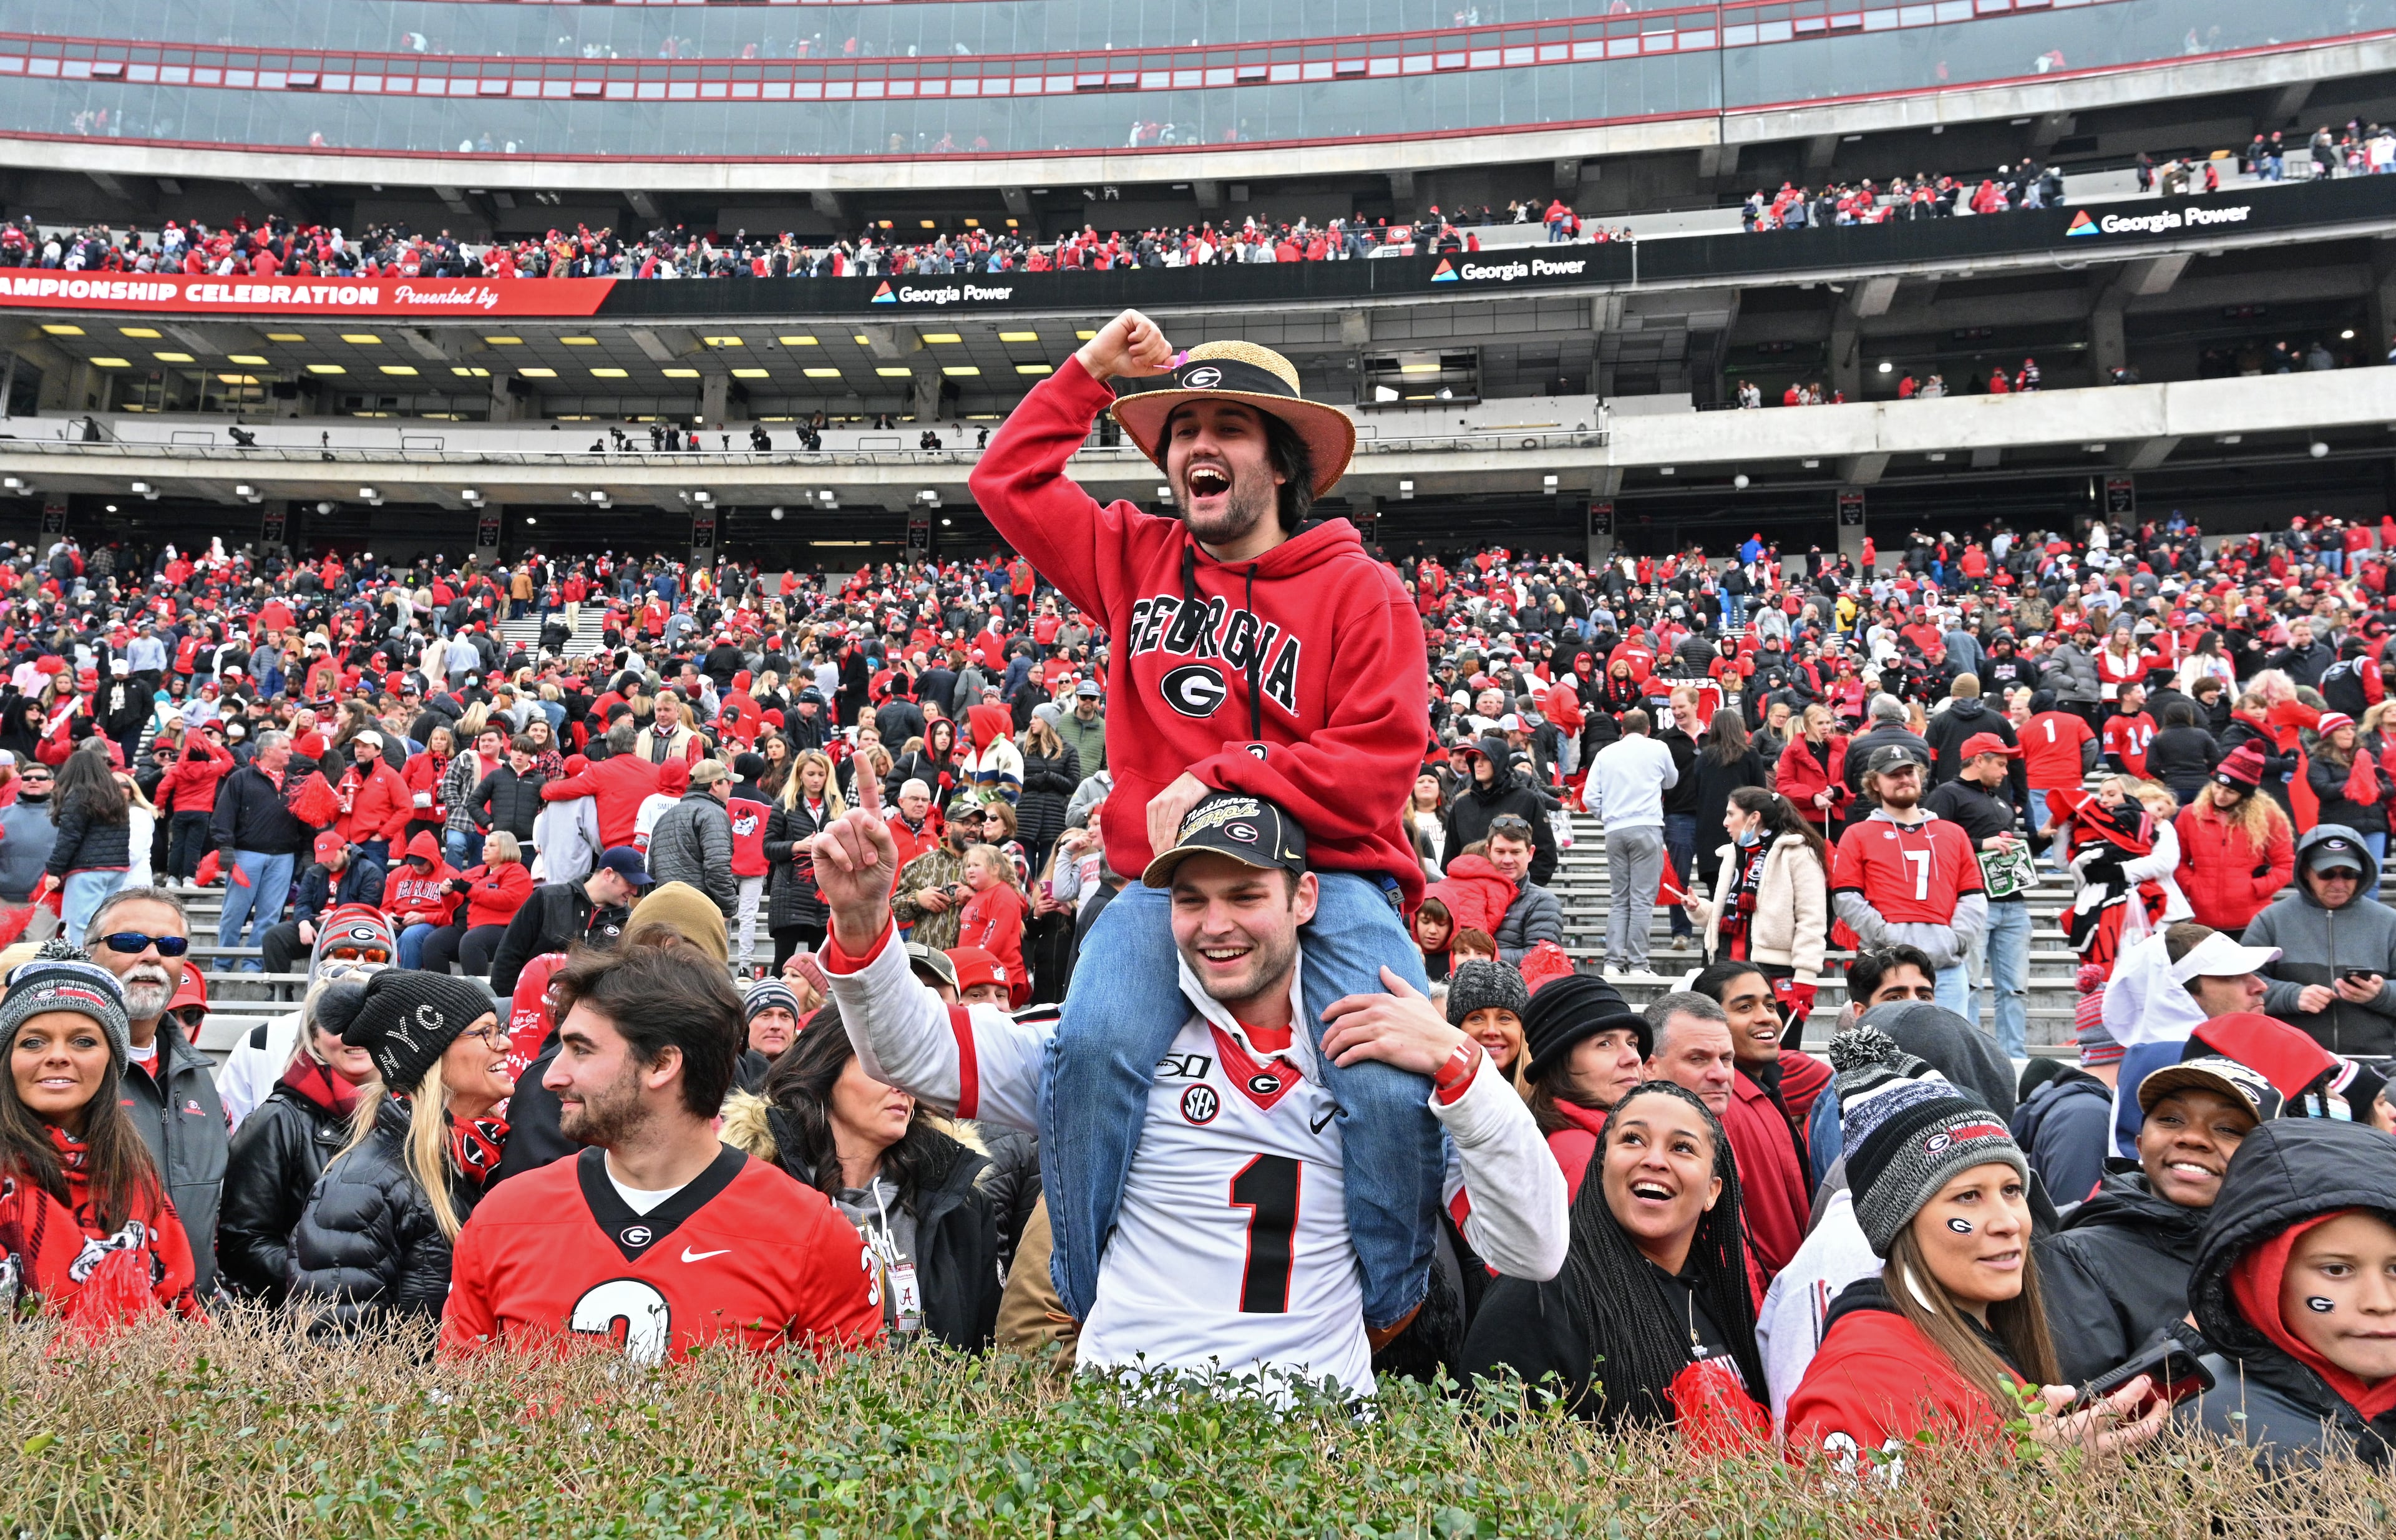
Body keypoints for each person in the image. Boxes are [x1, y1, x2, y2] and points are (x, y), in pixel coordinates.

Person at [971, 312, 1448, 1345]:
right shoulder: (1132, 555)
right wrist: (1092, 372)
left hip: (1333, 876)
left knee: (1387, 1081)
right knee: (1090, 1048)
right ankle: (1093, 1303)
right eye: (1183, 428)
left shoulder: (1360, 589)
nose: (1198, 445)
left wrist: (1230, 773)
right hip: (1173, 886)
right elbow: (1005, 484)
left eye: (1229, 426)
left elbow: (1376, 765)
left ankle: (1391, 1307)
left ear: (1278, 461)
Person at [811, 789, 1566, 1397]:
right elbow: (918, 1052)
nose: (1216, 924)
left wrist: (1460, 1064)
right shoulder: (1116, 1045)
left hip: (1315, 1438)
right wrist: (859, 921)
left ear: (1305, 897)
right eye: (1192, 899)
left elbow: (1532, 1247)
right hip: (1125, 1440)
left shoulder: (1386, 1060)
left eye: (1244, 894)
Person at [440, 937, 883, 1362]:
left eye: (580, 1050)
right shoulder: (503, 1217)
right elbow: (457, 1416)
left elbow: (842, 1428)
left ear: (661, 1064)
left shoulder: (812, 1234)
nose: (552, 1076)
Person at [1786, 1091, 2168, 1461]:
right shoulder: (1867, 1374)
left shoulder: (1986, 1332)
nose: (2008, 1222)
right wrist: (2039, 1471)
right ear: (1901, 1224)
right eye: (1968, 1196)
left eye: (2012, 1190)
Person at [1459, 1082, 1768, 1440]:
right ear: (1602, 1161)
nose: (1654, 1159)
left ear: (1713, 1191)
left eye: (1682, 1147)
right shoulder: (1537, 1297)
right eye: (1633, 1139)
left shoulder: (1721, 1295)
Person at [726, 1005, 1003, 1350]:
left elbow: (987, 1355)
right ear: (824, 1070)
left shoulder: (960, 1200)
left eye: (910, 1069)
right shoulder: (756, 1191)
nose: (903, 1085)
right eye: (884, 1066)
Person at [290, 971, 514, 1331]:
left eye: (499, 1030)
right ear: (431, 1058)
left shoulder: (490, 1158)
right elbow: (335, 1353)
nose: (505, 1045)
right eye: (484, 1033)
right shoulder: (362, 1185)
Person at [0, 939, 205, 1325]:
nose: (58, 1055)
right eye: (33, 1041)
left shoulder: (137, 1176)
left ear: (112, 1060)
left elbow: (180, 1311)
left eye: (83, 1041)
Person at [2038, 1055, 2271, 1386]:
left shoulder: (2289, 1254)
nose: (2192, 1138)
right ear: (2140, 1145)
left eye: (2228, 1129)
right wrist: (2199, 1326)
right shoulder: (2073, 1257)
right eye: (2172, 1120)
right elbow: (2085, 1422)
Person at [2182, 1119, 2396, 1466]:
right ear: (2257, 1280)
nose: (2381, 1303)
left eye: (2395, 1269)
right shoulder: (2196, 1414)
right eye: (2337, 1270)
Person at [79, 886, 225, 1297]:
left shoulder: (198, 1077)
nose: (152, 956)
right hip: (91, 1334)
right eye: (130, 941)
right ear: (89, 952)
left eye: (170, 945)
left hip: (190, 1328)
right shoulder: (59, 1073)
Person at [218, 974, 381, 1303]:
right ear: (314, 1037)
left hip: (394, 1330)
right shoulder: (277, 1120)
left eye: (366, 1019)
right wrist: (328, 1289)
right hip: (302, 1330)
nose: (355, 1032)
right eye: (338, 1020)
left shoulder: (410, 1114)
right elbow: (243, 1242)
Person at [1829, 744, 1987, 1016]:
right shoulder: (1858, 834)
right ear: (1874, 783)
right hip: (1885, 967)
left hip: (1945, 965)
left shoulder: (1953, 833)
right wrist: (1885, 938)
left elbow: (1973, 894)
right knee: (1889, 1050)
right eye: (1893, 775)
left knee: (1950, 1050)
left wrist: (1956, 940)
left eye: (1909, 772)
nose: (1904, 779)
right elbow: (1846, 896)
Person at [1683, 787, 1829, 1033]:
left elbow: (1811, 919)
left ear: (1754, 818)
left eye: (1731, 814)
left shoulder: (1797, 853)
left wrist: (1805, 975)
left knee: (1776, 1058)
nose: (1725, 822)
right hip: (1726, 972)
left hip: (1775, 974)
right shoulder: (1733, 853)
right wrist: (1698, 909)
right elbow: (1734, 916)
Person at [1924, 733, 2032, 1058]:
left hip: (2012, 900)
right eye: (2000, 763)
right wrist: (1981, 843)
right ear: (1979, 760)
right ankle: (1965, 1057)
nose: (2005, 771)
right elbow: (1930, 840)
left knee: (2015, 988)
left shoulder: (1998, 799)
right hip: (1971, 905)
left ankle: (2015, 1057)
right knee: (1969, 985)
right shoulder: (1946, 794)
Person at [2244, 824, 2396, 1055]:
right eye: (2327, 874)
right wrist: (2292, 996)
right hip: (2293, 1060)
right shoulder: (2271, 920)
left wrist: (2380, 993)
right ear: (2306, 871)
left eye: (2349, 874)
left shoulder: (2389, 921)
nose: (2338, 883)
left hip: (2378, 1061)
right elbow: (2242, 984)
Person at [1519, 973, 1649, 1193]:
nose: (1633, 1058)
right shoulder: (1582, 1156)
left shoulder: (1610, 1140)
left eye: (1632, 1043)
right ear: (1561, 1064)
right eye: (1605, 1044)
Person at [1585, 708, 1678, 978]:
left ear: (1622, 730)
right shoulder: (1658, 748)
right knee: (1641, 900)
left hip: (1615, 829)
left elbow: (1591, 797)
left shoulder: (1605, 754)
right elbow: (1672, 781)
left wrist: (1608, 816)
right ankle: (1638, 964)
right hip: (1646, 825)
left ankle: (1612, 962)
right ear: (1648, 728)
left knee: (1619, 899)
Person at [486, 846, 650, 997]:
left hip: (588, 1015)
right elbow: (510, 953)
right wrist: (506, 1003)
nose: (635, 892)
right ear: (608, 874)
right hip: (533, 1004)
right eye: (630, 883)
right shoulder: (549, 899)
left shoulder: (626, 921)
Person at [210, 729, 309, 962]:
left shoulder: (296, 782)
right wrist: (225, 847)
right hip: (246, 855)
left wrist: (306, 853)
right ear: (268, 750)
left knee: (270, 916)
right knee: (234, 913)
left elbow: (305, 822)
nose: (290, 753)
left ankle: (254, 963)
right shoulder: (240, 779)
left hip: (284, 857)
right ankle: (222, 962)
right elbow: (223, 816)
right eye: (285, 748)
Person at [2174, 744, 2294, 937]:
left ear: (2244, 795)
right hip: (2202, 920)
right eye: (2217, 787)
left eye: (2230, 792)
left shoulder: (2269, 817)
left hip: (2252, 921)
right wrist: (2192, 886)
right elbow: (2178, 860)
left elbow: (2286, 864)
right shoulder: (2190, 814)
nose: (2220, 796)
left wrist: (2256, 889)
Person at [41, 746, 132, 947]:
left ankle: (81, 972)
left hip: (88, 869)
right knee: (106, 927)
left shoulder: (78, 795)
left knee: (81, 927)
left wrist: (54, 870)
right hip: (117, 868)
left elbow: (70, 836)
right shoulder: (115, 795)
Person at [1443, 734, 1559, 886]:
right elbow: (1450, 857)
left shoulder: (1528, 799)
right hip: (1469, 893)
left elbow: (1545, 854)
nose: (1478, 764)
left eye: (1485, 759)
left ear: (1499, 761)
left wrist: (1523, 891)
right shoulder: (1462, 805)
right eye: (1475, 759)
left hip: (1517, 895)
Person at [764, 749, 843, 968]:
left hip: (824, 895)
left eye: (821, 774)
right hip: (790, 894)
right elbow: (768, 848)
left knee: (818, 968)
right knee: (783, 963)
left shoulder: (838, 806)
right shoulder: (784, 805)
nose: (816, 779)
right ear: (799, 774)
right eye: (811, 774)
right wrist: (796, 846)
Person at [2309, 711, 2395, 890]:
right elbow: (2323, 789)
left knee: (2371, 880)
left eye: (2351, 729)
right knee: (2343, 878)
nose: (2349, 733)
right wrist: (2355, 783)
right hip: (2339, 826)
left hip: (2373, 825)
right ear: (2329, 734)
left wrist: (2372, 789)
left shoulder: (2367, 756)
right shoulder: (2318, 761)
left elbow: (2388, 786)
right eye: (2342, 729)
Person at [646, 757, 738, 917]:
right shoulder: (713, 814)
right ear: (715, 784)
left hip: (664, 909)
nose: (731, 789)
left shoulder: (666, 817)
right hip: (700, 909)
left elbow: (652, 871)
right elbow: (717, 866)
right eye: (728, 783)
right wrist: (728, 908)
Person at [1481, 816, 1562, 965]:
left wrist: (1477, 955)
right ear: (1488, 851)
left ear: (1530, 853)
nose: (1507, 860)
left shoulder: (1544, 902)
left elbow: (1540, 957)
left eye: (1515, 852)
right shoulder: (1471, 892)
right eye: (1500, 851)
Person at [1445, 958, 1529, 1087]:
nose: (1491, 1031)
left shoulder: (1551, 1099)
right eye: (1476, 1018)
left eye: (1505, 1018)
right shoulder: (1430, 1098)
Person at [743, 977, 804, 1061]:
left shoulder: (811, 1071)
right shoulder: (726, 1070)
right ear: (745, 1025)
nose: (776, 1025)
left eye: (785, 1016)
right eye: (766, 1015)